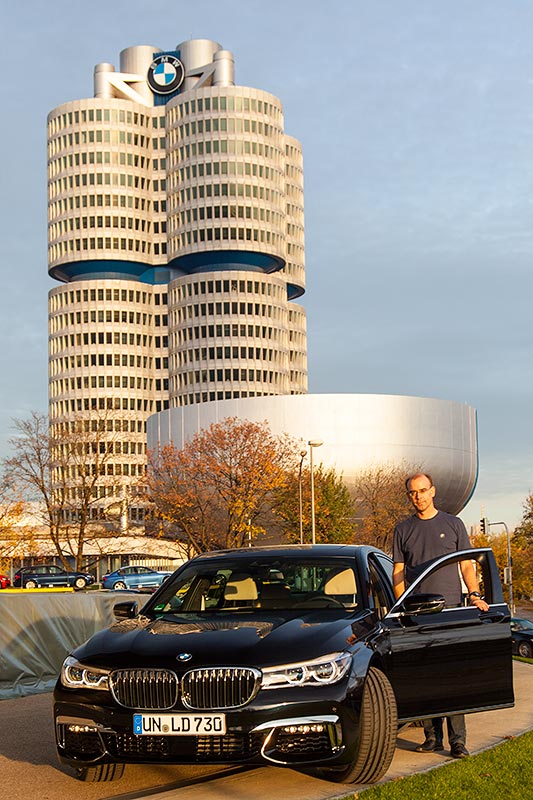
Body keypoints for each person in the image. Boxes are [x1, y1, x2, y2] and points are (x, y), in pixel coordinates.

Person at [392, 472, 489, 759]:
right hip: (419, 614)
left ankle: (457, 742)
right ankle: (432, 738)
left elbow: (467, 565)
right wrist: (401, 604)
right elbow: (398, 571)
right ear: (409, 495)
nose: (418, 496)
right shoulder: (402, 529)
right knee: (426, 678)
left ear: (432, 491)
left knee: (451, 677)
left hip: (451, 611)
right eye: (413, 492)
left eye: (423, 490)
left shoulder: (453, 524)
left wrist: (474, 594)